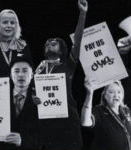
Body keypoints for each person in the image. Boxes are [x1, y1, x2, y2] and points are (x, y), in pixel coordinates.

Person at [34, 0, 88, 149]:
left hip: (68, 121)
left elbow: (77, 42)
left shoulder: (68, 64)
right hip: (46, 123)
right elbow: (31, 93)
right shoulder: (38, 69)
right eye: (47, 42)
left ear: (62, 49)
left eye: (54, 42)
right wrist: (34, 98)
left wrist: (82, 14)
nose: (50, 42)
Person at [81, 79, 131, 150]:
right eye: (111, 92)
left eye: (119, 92)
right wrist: (89, 94)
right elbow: (85, 123)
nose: (116, 95)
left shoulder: (126, 111)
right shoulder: (98, 111)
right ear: (104, 95)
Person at [0, 9, 33, 77]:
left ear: (16, 26)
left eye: (12, 23)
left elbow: (30, 72)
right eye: (5, 22)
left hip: (17, 87)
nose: (9, 25)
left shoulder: (23, 45)